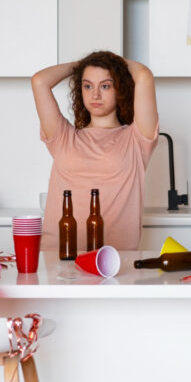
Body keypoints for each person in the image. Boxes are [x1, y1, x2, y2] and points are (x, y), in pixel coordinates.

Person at [31, 51, 159, 251]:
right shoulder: (63, 137)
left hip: (115, 260)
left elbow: (144, 76)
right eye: (88, 86)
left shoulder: (137, 139)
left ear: (121, 89)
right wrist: (83, 64)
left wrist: (111, 61)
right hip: (57, 256)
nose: (95, 95)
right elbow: (39, 81)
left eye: (106, 86)